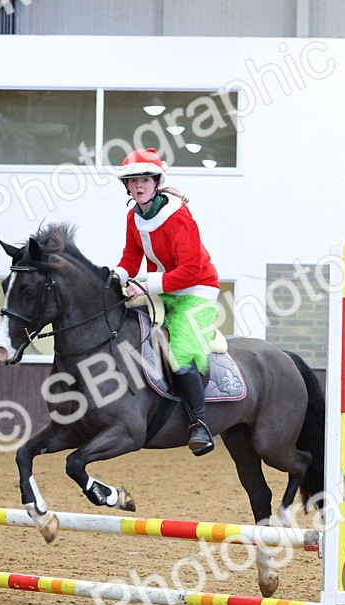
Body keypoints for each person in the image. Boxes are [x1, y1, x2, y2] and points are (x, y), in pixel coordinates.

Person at [112, 148, 219, 456]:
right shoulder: (134, 217)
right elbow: (131, 257)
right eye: (133, 182)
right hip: (161, 289)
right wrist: (116, 277)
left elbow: (191, 270)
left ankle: (200, 425)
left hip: (196, 290)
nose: (138, 186)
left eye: (144, 179)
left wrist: (147, 284)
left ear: (156, 182)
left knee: (181, 353)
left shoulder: (179, 218)